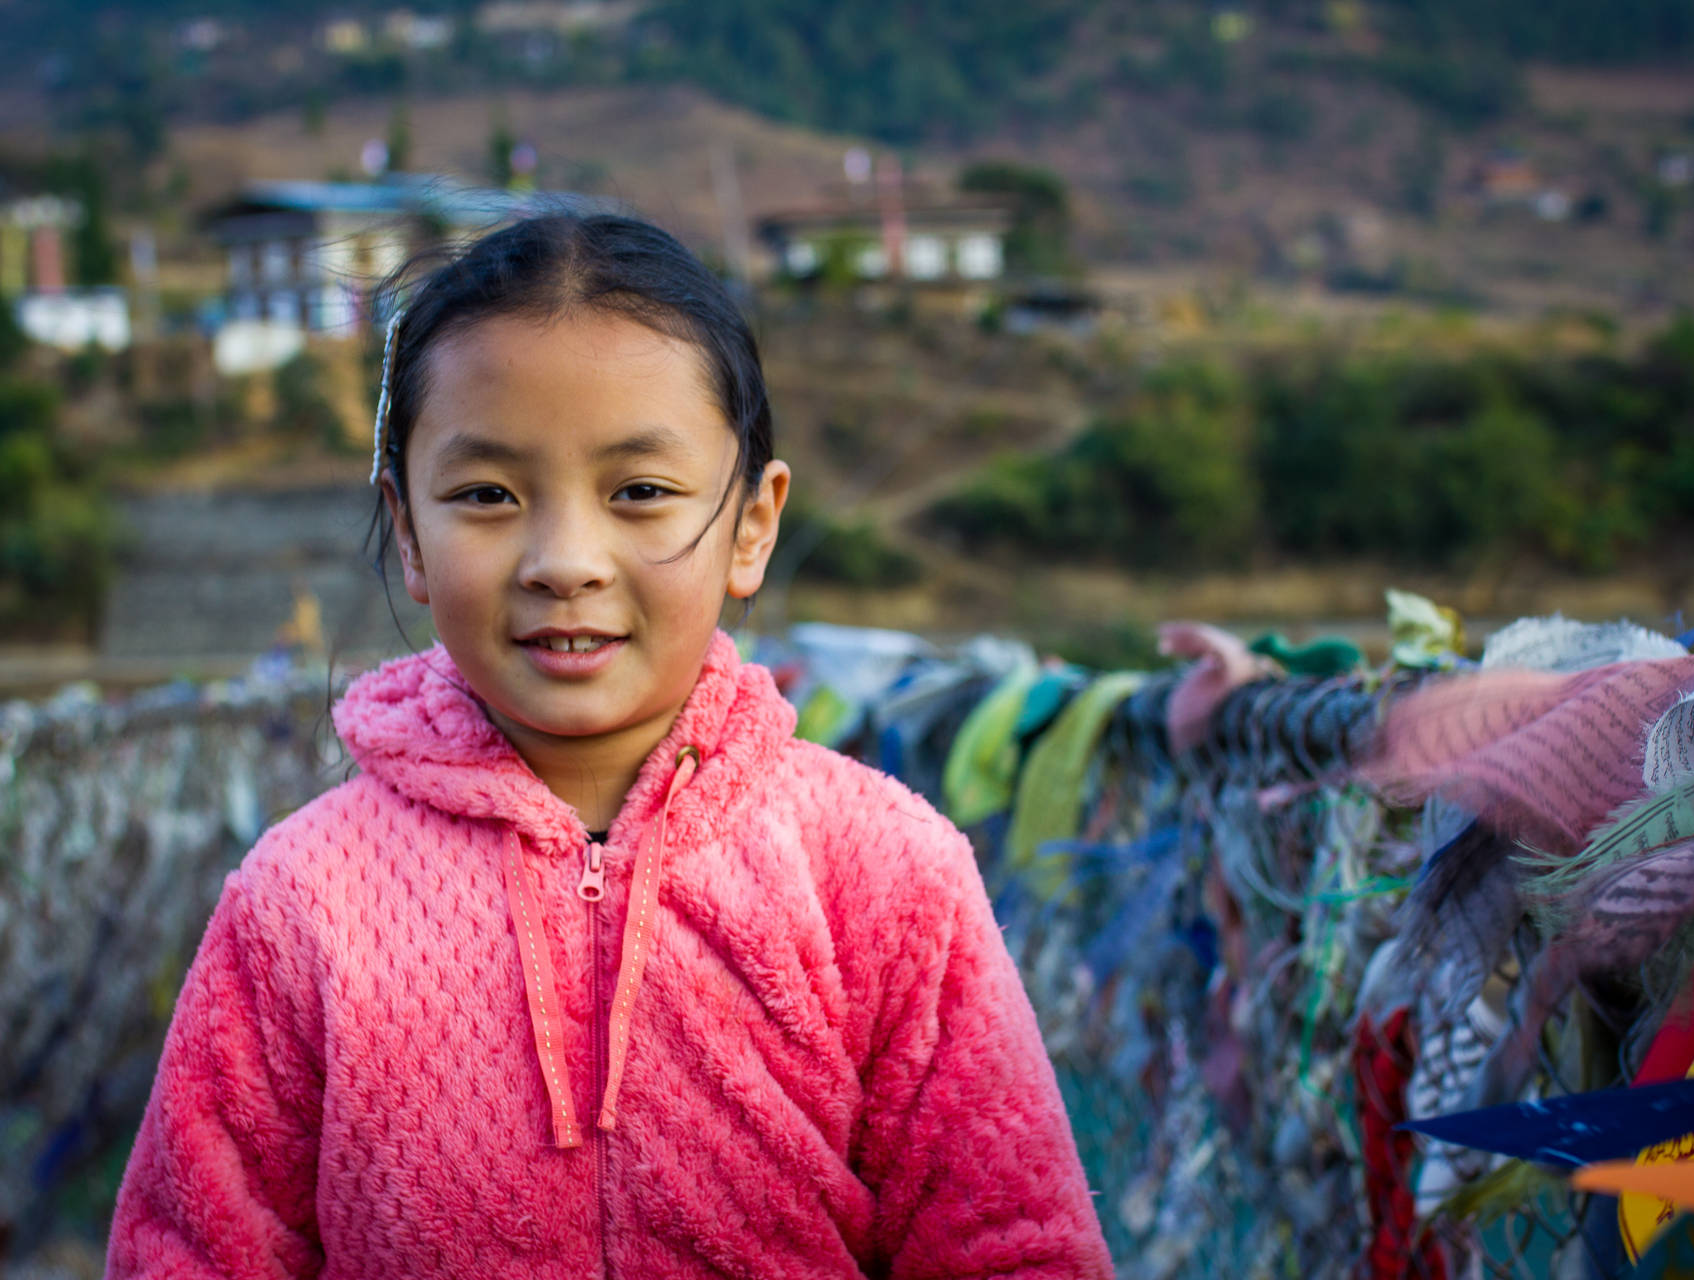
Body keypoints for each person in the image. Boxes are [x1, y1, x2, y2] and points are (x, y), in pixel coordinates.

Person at [104, 212, 1112, 1278]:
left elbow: (1015, 1246)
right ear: (406, 529)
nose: (565, 559)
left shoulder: (886, 872)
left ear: (754, 524)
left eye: (639, 491)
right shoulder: (304, 900)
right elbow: (192, 1250)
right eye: (488, 494)